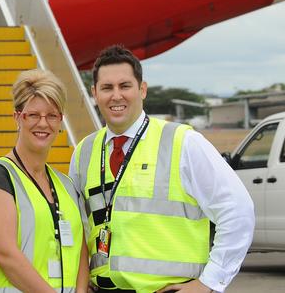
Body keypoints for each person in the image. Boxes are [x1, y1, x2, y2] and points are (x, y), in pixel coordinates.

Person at [69, 45, 254, 293]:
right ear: (94, 93)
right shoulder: (84, 151)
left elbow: (238, 211)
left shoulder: (182, 141)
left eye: (125, 86)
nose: (116, 96)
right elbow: (78, 229)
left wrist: (209, 283)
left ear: (142, 89)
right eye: (106, 88)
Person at [0, 69, 89, 292]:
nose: (43, 123)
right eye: (33, 115)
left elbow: (81, 251)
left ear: (60, 122)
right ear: (17, 117)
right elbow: (5, 254)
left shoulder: (66, 185)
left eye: (51, 115)